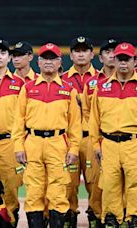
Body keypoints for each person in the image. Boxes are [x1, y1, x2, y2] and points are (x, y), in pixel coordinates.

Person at [13, 43, 82, 228]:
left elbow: (75, 125)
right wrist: (18, 147)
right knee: (34, 192)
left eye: (53, 58)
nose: (49, 62)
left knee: (58, 191)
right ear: (38, 62)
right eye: (45, 58)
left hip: (58, 143)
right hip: (32, 143)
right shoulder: (27, 88)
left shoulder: (69, 90)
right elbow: (18, 121)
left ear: (60, 62)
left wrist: (74, 149)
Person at [89, 43, 137, 227]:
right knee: (110, 184)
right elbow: (94, 120)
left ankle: (133, 217)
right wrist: (95, 145)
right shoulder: (101, 87)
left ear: (134, 61)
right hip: (108, 143)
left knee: (135, 183)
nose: (123, 63)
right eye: (120, 59)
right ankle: (112, 218)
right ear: (114, 61)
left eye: (127, 59)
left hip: (133, 142)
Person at [0, 38, 24, 226]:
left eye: (2, 53)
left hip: (10, 143)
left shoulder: (20, 84)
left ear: (9, 58)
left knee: (11, 189)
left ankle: (11, 223)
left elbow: (24, 116)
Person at [61, 36, 98, 227]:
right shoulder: (61, 81)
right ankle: (68, 218)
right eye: (77, 50)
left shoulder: (101, 79)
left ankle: (96, 218)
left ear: (92, 54)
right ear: (71, 54)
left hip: (93, 140)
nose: (81, 54)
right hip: (70, 140)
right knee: (68, 184)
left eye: (85, 50)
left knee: (95, 183)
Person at [81, 39, 118, 227]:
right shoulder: (92, 82)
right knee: (95, 181)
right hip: (96, 139)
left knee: (122, 181)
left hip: (122, 141)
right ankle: (96, 217)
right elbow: (88, 112)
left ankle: (119, 218)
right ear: (100, 56)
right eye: (107, 51)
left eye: (114, 51)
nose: (111, 54)